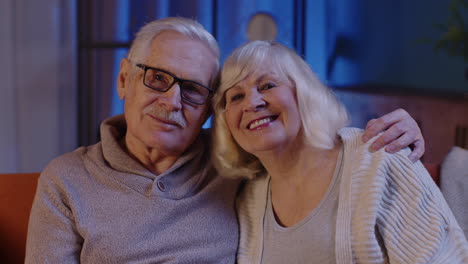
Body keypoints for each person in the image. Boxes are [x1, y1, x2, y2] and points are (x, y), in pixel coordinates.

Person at [26, 17, 425, 263]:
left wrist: (391, 133)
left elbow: (304, 145)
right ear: (124, 79)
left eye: (193, 90)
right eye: (158, 78)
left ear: (208, 109)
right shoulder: (66, 180)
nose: (172, 101)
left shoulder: (235, 161)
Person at [212, 40, 468, 263]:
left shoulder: (379, 156)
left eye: (267, 85)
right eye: (236, 97)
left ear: (303, 92)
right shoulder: (248, 201)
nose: (252, 103)